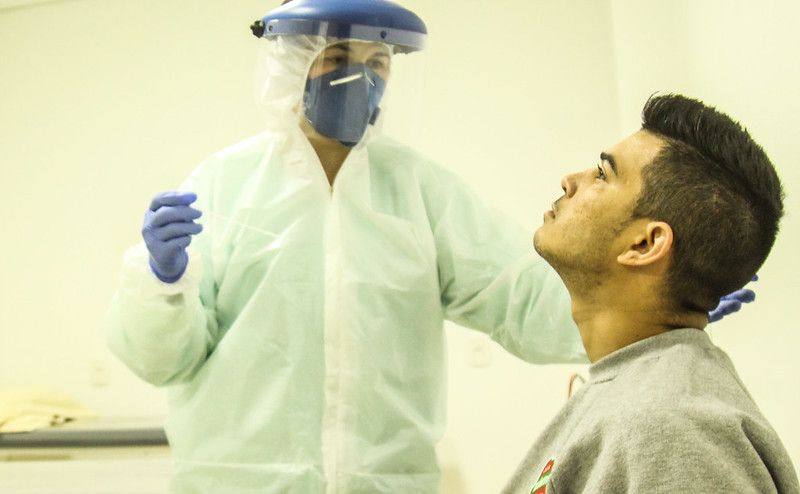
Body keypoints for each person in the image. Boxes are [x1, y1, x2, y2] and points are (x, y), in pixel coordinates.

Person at [104, 1, 753, 492]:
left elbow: (521, 299)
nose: (360, 79)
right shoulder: (224, 185)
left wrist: (652, 304)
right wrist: (163, 280)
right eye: (338, 57)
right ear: (291, 62)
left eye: (378, 63)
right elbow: (164, 361)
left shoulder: (420, 192)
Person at [501, 94, 798, 493]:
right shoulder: (638, 401)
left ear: (644, 244)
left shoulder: (675, 430)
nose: (569, 181)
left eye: (603, 174)